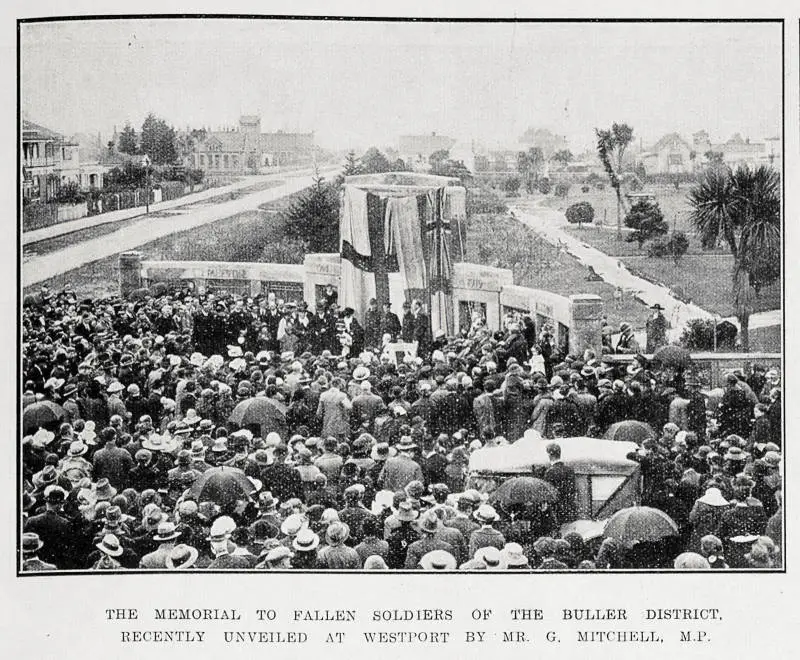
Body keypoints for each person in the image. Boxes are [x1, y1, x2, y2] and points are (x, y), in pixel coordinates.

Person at [543, 442, 577, 525]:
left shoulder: (550, 472)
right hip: (570, 509)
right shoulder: (570, 470)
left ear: (549, 455)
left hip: (557, 511)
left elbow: (549, 493)